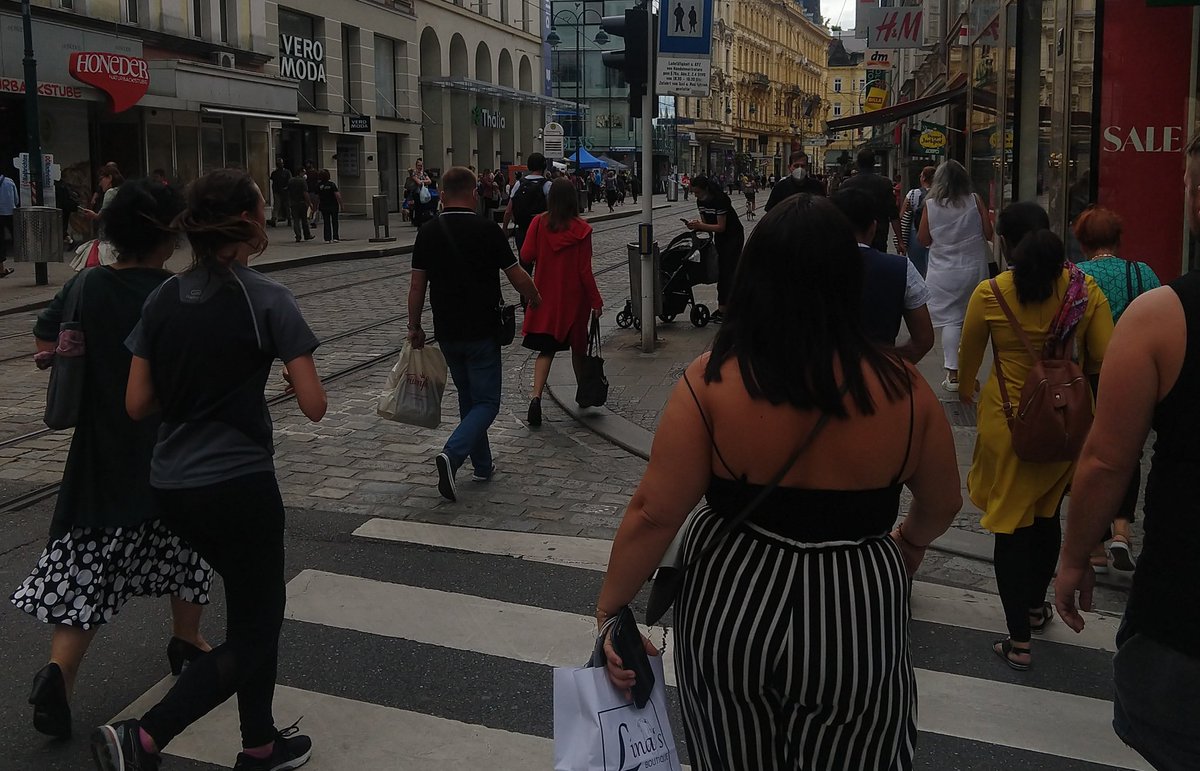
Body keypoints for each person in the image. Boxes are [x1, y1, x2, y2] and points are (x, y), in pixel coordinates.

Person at [595, 193, 961, 770]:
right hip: (854, 605)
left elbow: (654, 512)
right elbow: (943, 501)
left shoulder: (712, 379)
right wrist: (910, 542)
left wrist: (611, 611)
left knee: (731, 752)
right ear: (851, 277)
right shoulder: (904, 391)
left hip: (735, 593)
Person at [90, 169, 328, 771]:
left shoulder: (162, 299)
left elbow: (137, 403)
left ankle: (260, 743)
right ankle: (144, 738)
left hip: (174, 484)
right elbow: (314, 405)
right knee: (257, 625)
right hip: (239, 483)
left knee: (253, 613)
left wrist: (194, 386)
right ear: (249, 223)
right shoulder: (268, 299)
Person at [13, 179, 212, 742]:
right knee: (187, 543)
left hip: (99, 450)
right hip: (166, 445)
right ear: (169, 235)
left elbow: (43, 340)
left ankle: (60, 672)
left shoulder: (89, 285)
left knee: (89, 564)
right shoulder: (175, 293)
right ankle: (187, 638)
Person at [1054, 134, 1200, 770]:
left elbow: (1108, 460)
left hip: (1185, 613)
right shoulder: (1145, 290)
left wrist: (1073, 556)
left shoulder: (1164, 317)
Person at [957, 203, 1112, 672]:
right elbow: (1105, 355)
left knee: (1010, 528)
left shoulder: (990, 294)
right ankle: (1036, 607)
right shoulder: (1086, 292)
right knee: (1045, 516)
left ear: (1005, 243)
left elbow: (966, 364)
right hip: (1064, 428)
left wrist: (970, 391)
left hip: (1010, 429)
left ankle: (1019, 640)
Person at [407, 167, 541, 502]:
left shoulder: (428, 231)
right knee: (486, 402)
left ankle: (482, 465)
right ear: (473, 193)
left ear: (441, 193)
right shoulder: (487, 230)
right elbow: (517, 275)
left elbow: (416, 285)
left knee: (469, 397)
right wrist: (536, 298)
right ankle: (452, 456)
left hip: (447, 331)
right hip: (482, 330)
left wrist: (414, 326)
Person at [1069, 206, 1160, 574]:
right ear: (1118, 239)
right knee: (1130, 449)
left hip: (1090, 375)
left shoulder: (1075, 276)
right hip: (1135, 374)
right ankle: (1122, 529)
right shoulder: (1143, 273)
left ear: (1083, 240)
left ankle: (1093, 543)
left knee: (1089, 453)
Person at [519, 178, 603, 428]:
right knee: (579, 348)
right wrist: (596, 301)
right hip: (573, 301)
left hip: (544, 297)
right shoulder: (582, 229)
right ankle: (584, 393)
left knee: (547, 350)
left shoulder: (538, 223)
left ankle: (535, 398)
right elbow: (584, 271)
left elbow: (525, 256)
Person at [832, 188, 934, 362]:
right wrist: (888, 367)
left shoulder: (808, 266)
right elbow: (923, 339)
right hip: (878, 379)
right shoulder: (901, 268)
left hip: (821, 380)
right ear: (873, 228)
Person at [917, 160, 994, 392]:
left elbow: (923, 240)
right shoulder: (974, 200)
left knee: (951, 322)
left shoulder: (930, 205)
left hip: (943, 273)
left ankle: (953, 374)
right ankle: (971, 374)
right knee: (970, 321)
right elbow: (988, 233)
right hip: (973, 269)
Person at [686, 174, 744, 324]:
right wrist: (696, 225)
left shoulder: (720, 200)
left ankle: (727, 308)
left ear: (706, 189)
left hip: (733, 236)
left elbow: (721, 227)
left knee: (727, 271)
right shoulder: (701, 202)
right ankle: (723, 307)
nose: (696, 195)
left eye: (697, 192)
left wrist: (700, 225)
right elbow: (707, 224)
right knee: (722, 270)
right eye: (694, 192)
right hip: (721, 237)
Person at [838, 149, 901, 252]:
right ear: (874, 163)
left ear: (857, 163)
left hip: (853, 234)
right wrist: (900, 240)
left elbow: (840, 213)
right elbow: (893, 214)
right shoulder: (884, 183)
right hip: (879, 234)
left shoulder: (847, 184)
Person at [504, 152, 552, 256]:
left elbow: (508, 210)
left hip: (522, 229)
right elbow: (553, 210)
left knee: (524, 262)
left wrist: (505, 229)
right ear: (544, 166)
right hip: (541, 231)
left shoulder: (519, 183)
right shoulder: (547, 185)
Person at [900, 165, 936, 276]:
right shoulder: (940, 195)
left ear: (924, 178)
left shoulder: (913, 194)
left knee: (917, 267)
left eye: (921, 176)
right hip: (935, 233)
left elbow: (902, 215)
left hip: (916, 232)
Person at [287, 169, 314, 243]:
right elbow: (305, 193)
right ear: (300, 172)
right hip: (302, 203)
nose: (305, 174)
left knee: (296, 220)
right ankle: (307, 235)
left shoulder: (290, 180)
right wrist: (309, 203)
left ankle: (298, 235)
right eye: (304, 173)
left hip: (293, 203)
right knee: (304, 220)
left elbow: (288, 192)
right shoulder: (302, 181)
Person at [0, 166, 18, 276]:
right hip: (9, 212)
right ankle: (21, 251)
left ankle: (1, 267)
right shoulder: (9, 181)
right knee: (16, 233)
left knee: (0, 239)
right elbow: (16, 198)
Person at [316, 169, 342, 243]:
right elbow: (337, 195)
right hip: (333, 205)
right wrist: (341, 204)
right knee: (335, 221)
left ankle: (327, 238)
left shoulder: (319, 185)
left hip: (324, 205)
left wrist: (316, 206)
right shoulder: (332, 184)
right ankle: (335, 237)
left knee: (326, 222)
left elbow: (317, 197)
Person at [269, 158, 291, 228]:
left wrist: (287, 187)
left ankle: (289, 219)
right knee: (278, 206)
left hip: (284, 191)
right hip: (278, 191)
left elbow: (289, 181)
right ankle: (275, 219)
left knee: (286, 206)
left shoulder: (286, 172)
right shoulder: (275, 173)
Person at [304, 162, 321, 230]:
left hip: (308, 192)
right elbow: (319, 182)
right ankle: (314, 221)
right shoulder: (316, 173)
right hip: (315, 192)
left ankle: (308, 220)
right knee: (315, 207)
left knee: (308, 207)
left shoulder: (306, 174)